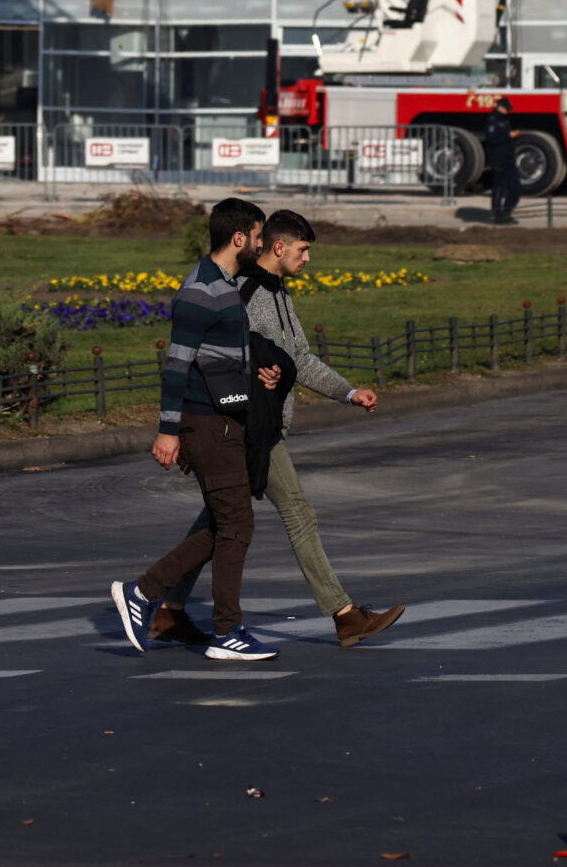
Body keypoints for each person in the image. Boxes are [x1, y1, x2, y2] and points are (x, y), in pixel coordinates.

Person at [156, 209, 406, 648]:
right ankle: (344, 615)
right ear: (277, 247)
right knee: (298, 513)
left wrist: (348, 393)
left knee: (218, 518)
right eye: (303, 249)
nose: (308, 258)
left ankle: (166, 608)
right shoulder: (247, 291)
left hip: (259, 422)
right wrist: (258, 375)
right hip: (249, 424)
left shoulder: (279, 293)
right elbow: (225, 353)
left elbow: (300, 358)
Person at [111, 198, 276, 662]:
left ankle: (145, 594)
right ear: (239, 238)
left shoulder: (223, 285)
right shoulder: (201, 291)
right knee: (237, 523)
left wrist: (257, 376)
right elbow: (176, 367)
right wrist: (169, 431)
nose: (261, 244)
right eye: (258, 236)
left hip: (223, 420)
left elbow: (219, 357)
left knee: (228, 523)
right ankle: (224, 630)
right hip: (206, 425)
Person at [485, 98, 522, 224]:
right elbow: (491, 139)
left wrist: (514, 136)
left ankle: (507, 211)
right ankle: (497, 214)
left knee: (515, 187)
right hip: (498, 159)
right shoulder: (492, 120)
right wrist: (509, 135)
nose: (507, 111)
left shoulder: (506, 120)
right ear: (500, 107)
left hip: (509, 159)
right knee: (499, 187)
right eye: (506, 109)